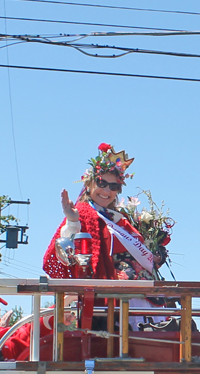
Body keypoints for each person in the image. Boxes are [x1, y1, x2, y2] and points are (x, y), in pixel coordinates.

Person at [2, 143, 172, 360]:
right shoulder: (84, 212)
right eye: (102, 183)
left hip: (141, 298)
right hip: (109, 298)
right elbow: (64, 250)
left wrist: (157, 254)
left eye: (114, 186)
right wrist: (72, 221)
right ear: (91, 182)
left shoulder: (123, 219)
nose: (107, 191)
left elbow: (143, 253)